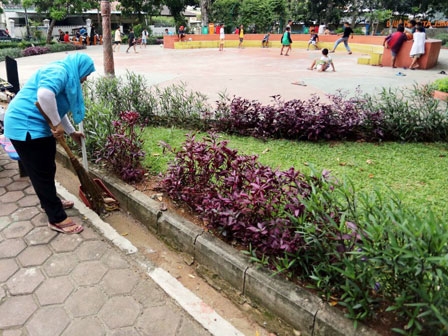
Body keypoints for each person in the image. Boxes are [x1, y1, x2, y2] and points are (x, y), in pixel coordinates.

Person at [3, 53, 95, 234]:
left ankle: (50, 202)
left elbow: (56, 107)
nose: (85, 79)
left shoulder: (67, 75)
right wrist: (56, 124)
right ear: (80, 68)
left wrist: (70, 131)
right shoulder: (59, 71)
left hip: (36, 126)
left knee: (47, 168)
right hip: (26, 126)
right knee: (41, 173)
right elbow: (44, 96)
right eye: (86, 74)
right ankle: (57, 218)